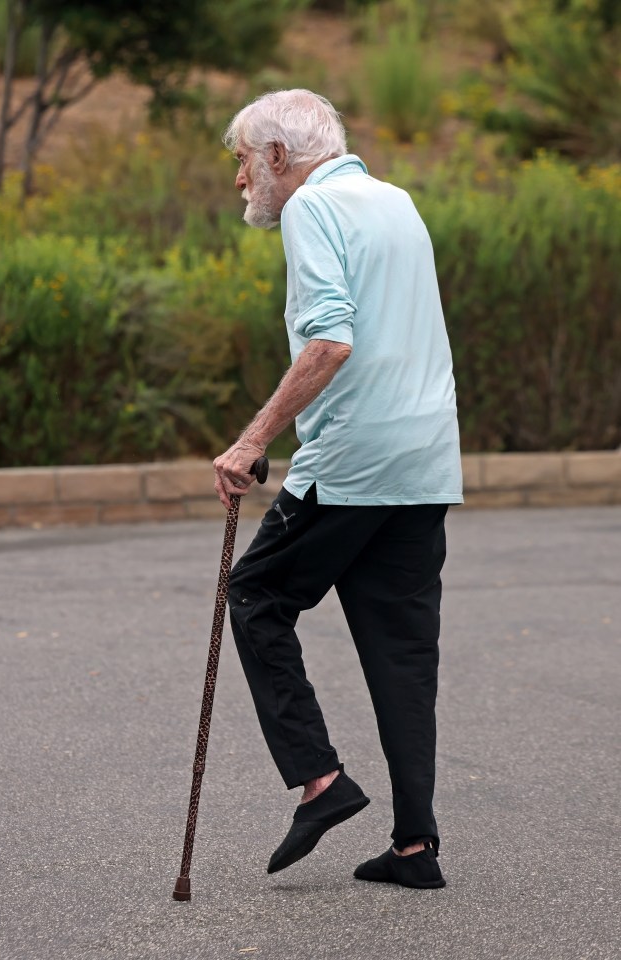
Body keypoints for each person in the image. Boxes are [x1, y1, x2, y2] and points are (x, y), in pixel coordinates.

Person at [213, 89, 463, 889]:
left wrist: (254, 440)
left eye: (244, 161)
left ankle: (322, 784)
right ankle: (415, 847)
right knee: (402, 654)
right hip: (425, 461)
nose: (242, 180)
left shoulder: (311, 211)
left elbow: (330, 339)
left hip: (354, 463)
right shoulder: (396, 202)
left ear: (280, 157)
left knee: (255, 595)